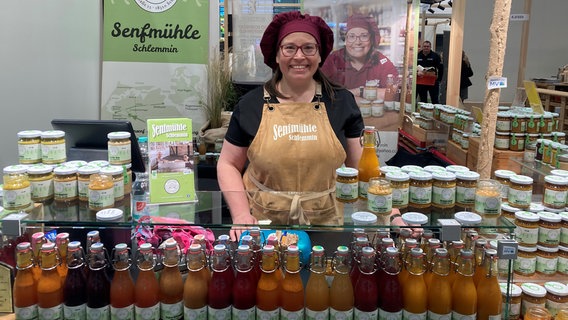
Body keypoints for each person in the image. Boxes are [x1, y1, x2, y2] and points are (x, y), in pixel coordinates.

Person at [217, 11, 365, 240]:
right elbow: (227, 163)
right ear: (276, 55)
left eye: (308, 48)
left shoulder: (341, 102)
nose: (299, 56)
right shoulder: (251, 105)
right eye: (289, 48)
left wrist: (389, 210)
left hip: (325, 224)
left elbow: (361, 169)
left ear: (319, 55)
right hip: (264, 226)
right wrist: (240, 214)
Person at [321, 13, 399, 98]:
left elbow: (394, 92)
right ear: (345, 39)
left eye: (364, 36)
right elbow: (319, 92)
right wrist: (370, 94)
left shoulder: (381, 61)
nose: (357, 42)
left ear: (372, 39)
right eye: (352, 36)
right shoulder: (333, 60)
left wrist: (360, 91)